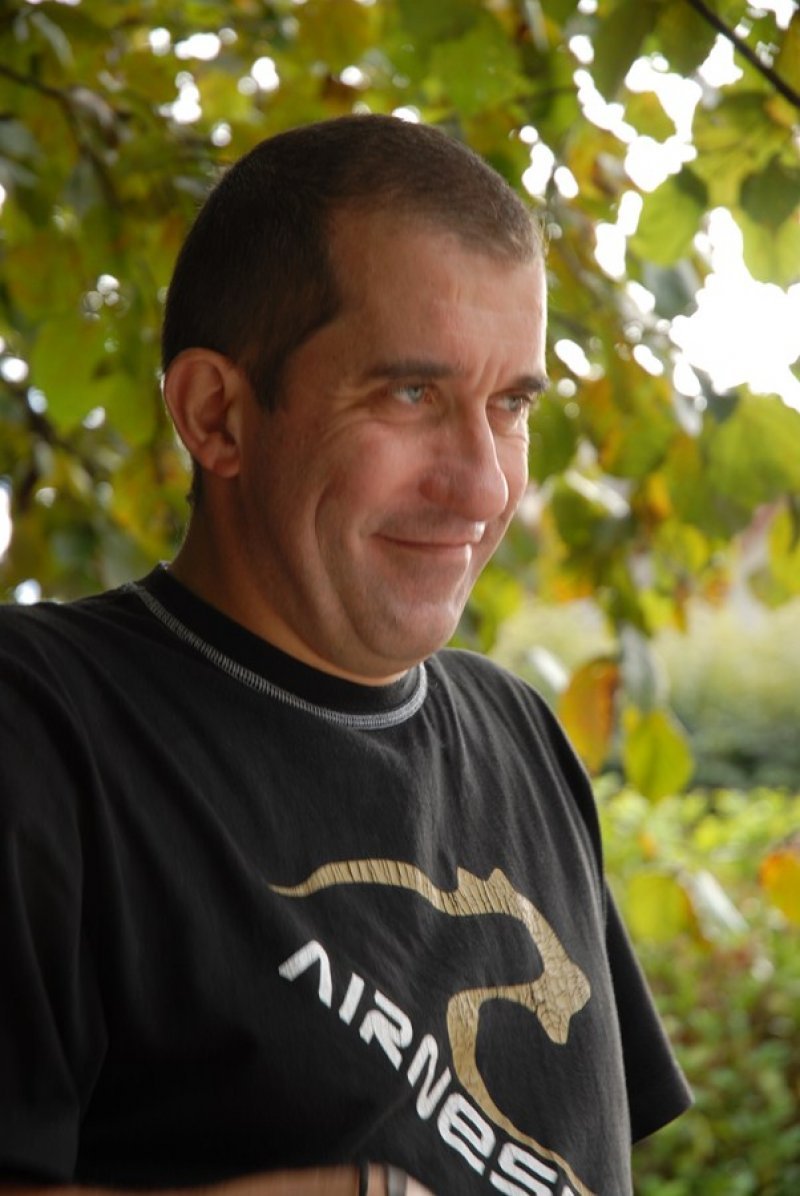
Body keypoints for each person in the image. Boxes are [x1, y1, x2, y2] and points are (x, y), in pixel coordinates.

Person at [0, 115, 690, 1196]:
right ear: (216, 415)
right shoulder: (38, 725)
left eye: (509, 405)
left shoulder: (519, 732)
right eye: (411, 394)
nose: (484, 484)